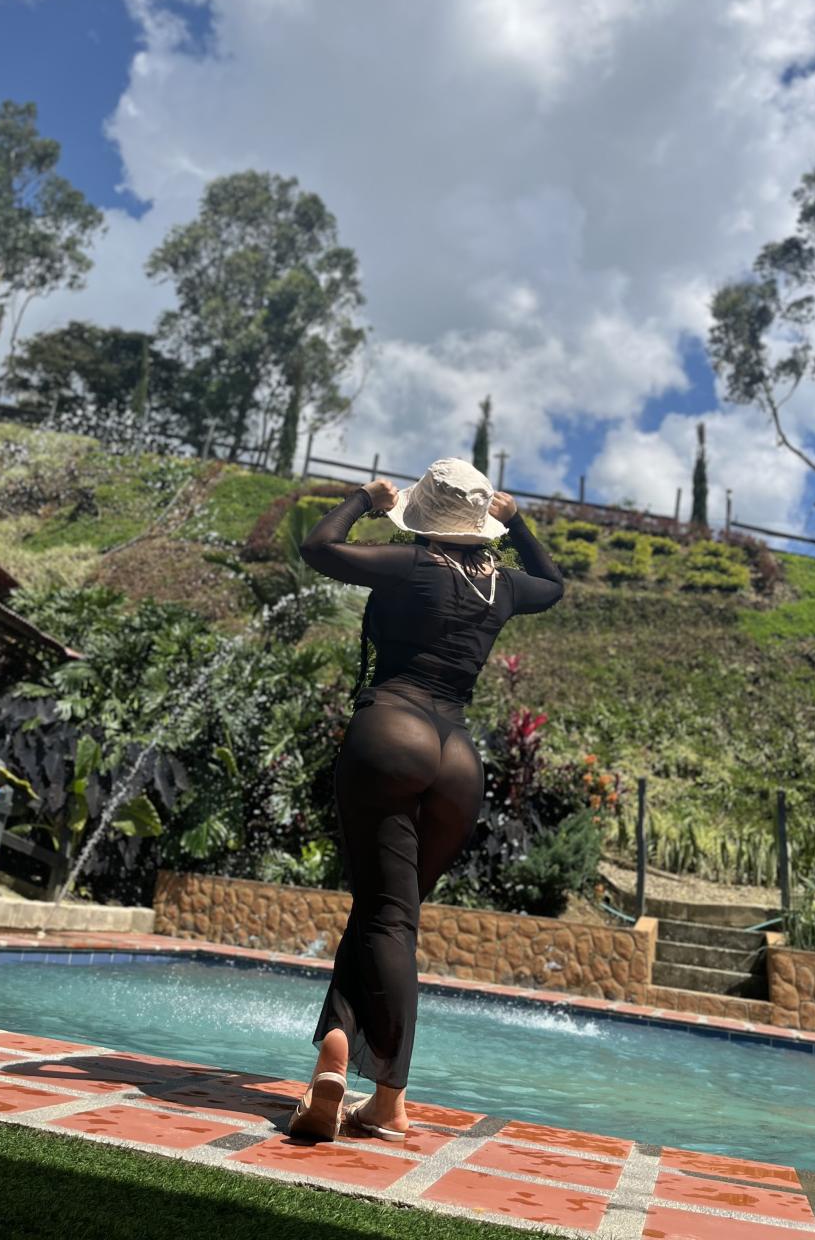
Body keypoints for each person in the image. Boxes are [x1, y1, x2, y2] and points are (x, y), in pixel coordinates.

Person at [287, 456, 564, 1142]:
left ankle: (383, 1093)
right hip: (458, 760)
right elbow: (555, 585)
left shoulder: (412, 566)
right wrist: (518, 523)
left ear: (424, 515)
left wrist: (363, 498)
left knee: (384, 917)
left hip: (392, 730)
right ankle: (340, 1065)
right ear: (480, 520)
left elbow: (318, 546)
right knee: (390, 917)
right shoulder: (501, 585)